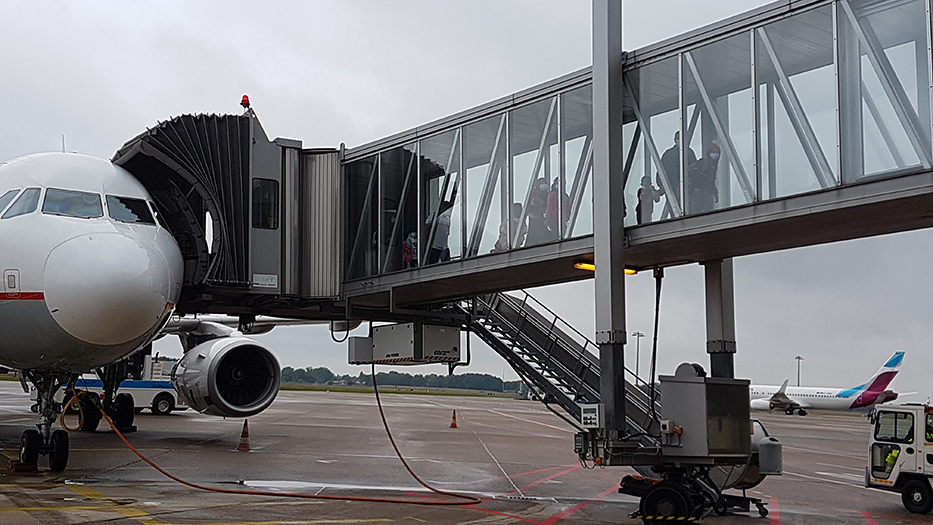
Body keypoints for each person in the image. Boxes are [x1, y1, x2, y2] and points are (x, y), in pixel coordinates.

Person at [659, 131, 697, 209]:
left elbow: (695, 169)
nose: (680, 140)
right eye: (678, 138)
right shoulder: (669, 154)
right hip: (672, 186)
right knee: (675, 208)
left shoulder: (689, 152)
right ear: (675, 139)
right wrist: (662, 185)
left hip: (687, 187)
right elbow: (661, 171)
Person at [688, 143, 721, 214]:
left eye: (717, 153)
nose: (716, 155)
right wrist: (696, 187)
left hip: (706, 194)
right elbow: (694, 174)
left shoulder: (713, 165)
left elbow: (711, 181)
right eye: (713, 152)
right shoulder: (703, 163)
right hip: (698, 194)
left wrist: (715, 193)